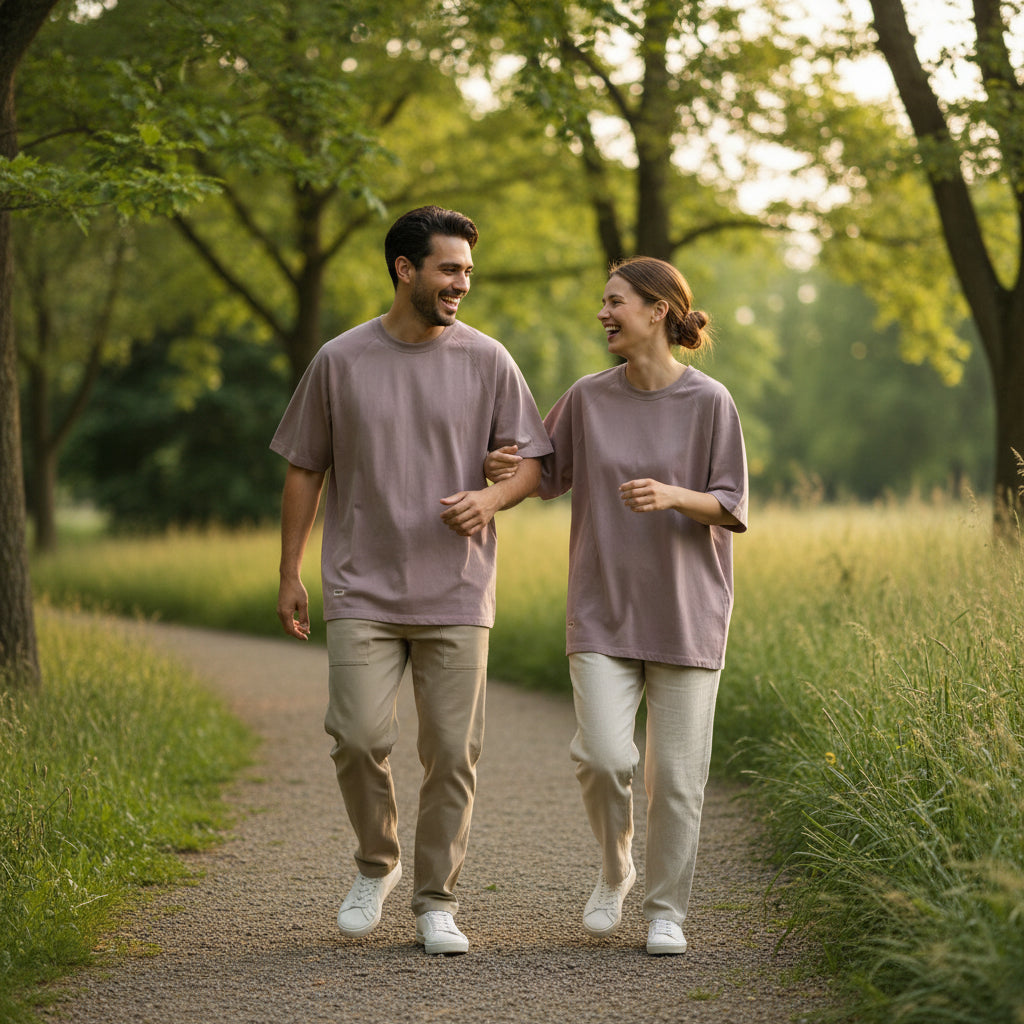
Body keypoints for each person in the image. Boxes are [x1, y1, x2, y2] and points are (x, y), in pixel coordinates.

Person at [271, 205, 550, 956]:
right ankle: (377, 863)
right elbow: (305, 467)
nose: (463, 282)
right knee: (358, 737)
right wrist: (291, 569)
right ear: (405, 270)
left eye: (467, 270)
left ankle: (436, 901)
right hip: (362, 583)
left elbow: (530, 461)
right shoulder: (340, 358)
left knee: (453, 751)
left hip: (457, 587)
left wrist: (492, 494)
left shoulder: (489, 359)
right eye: (449, 269)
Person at [486, 256, 747, 955]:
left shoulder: (710, 403)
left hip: (687, 614)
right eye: (603, 303)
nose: (603, 314)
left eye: (616, 302)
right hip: (602, 611)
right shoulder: (587, 397)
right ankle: (616, 867)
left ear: (658, 310)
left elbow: (729, 503)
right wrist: (500, 471)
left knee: (679, 781)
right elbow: (544, 472)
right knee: (603, 756)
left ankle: (667, 911)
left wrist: (671, 496)